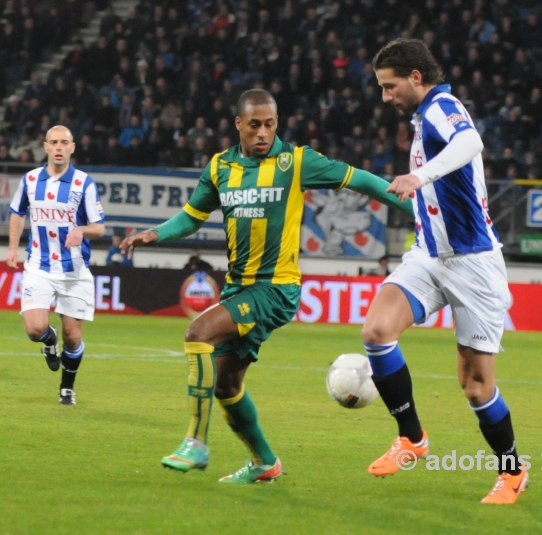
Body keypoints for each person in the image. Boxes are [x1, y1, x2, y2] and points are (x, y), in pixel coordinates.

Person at [120, 89, 413, 484]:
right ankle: (264, 462)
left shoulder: (297, 161)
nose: (262, 133)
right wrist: (154, 234)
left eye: (269, 124)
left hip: (275, 289)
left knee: (197, 332)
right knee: (226, 384)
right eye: (254, 124)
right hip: (238, 288)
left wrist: (421, 212)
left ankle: (196, 442)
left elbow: (363, 182)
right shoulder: (220, 166)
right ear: (238, 124)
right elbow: (192, 217)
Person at [364, 38, 524, 504]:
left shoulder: (442, 105)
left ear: (416, 77)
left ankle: (512, 472)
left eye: (390, 86)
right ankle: (412, 438)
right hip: (429, 256)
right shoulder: (421, 118)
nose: (385, 96)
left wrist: (421, 176)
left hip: (474, 265)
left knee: (475, 388)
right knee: (377, 331)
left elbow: (471, 141)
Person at [6, 125, 105, 405]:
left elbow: (99, 227)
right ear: (46, 147)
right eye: (54, 142)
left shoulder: (83, 183)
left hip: (73, 269)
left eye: (64, 142)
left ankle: (67, 388)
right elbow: (17, 214)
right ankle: (49, 343)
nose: (59, 147)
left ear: (72, 148)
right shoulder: (30, 180)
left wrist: (81, 231)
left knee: (73, 336)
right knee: (35, 329)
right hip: (39, 264)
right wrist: (13, 248)